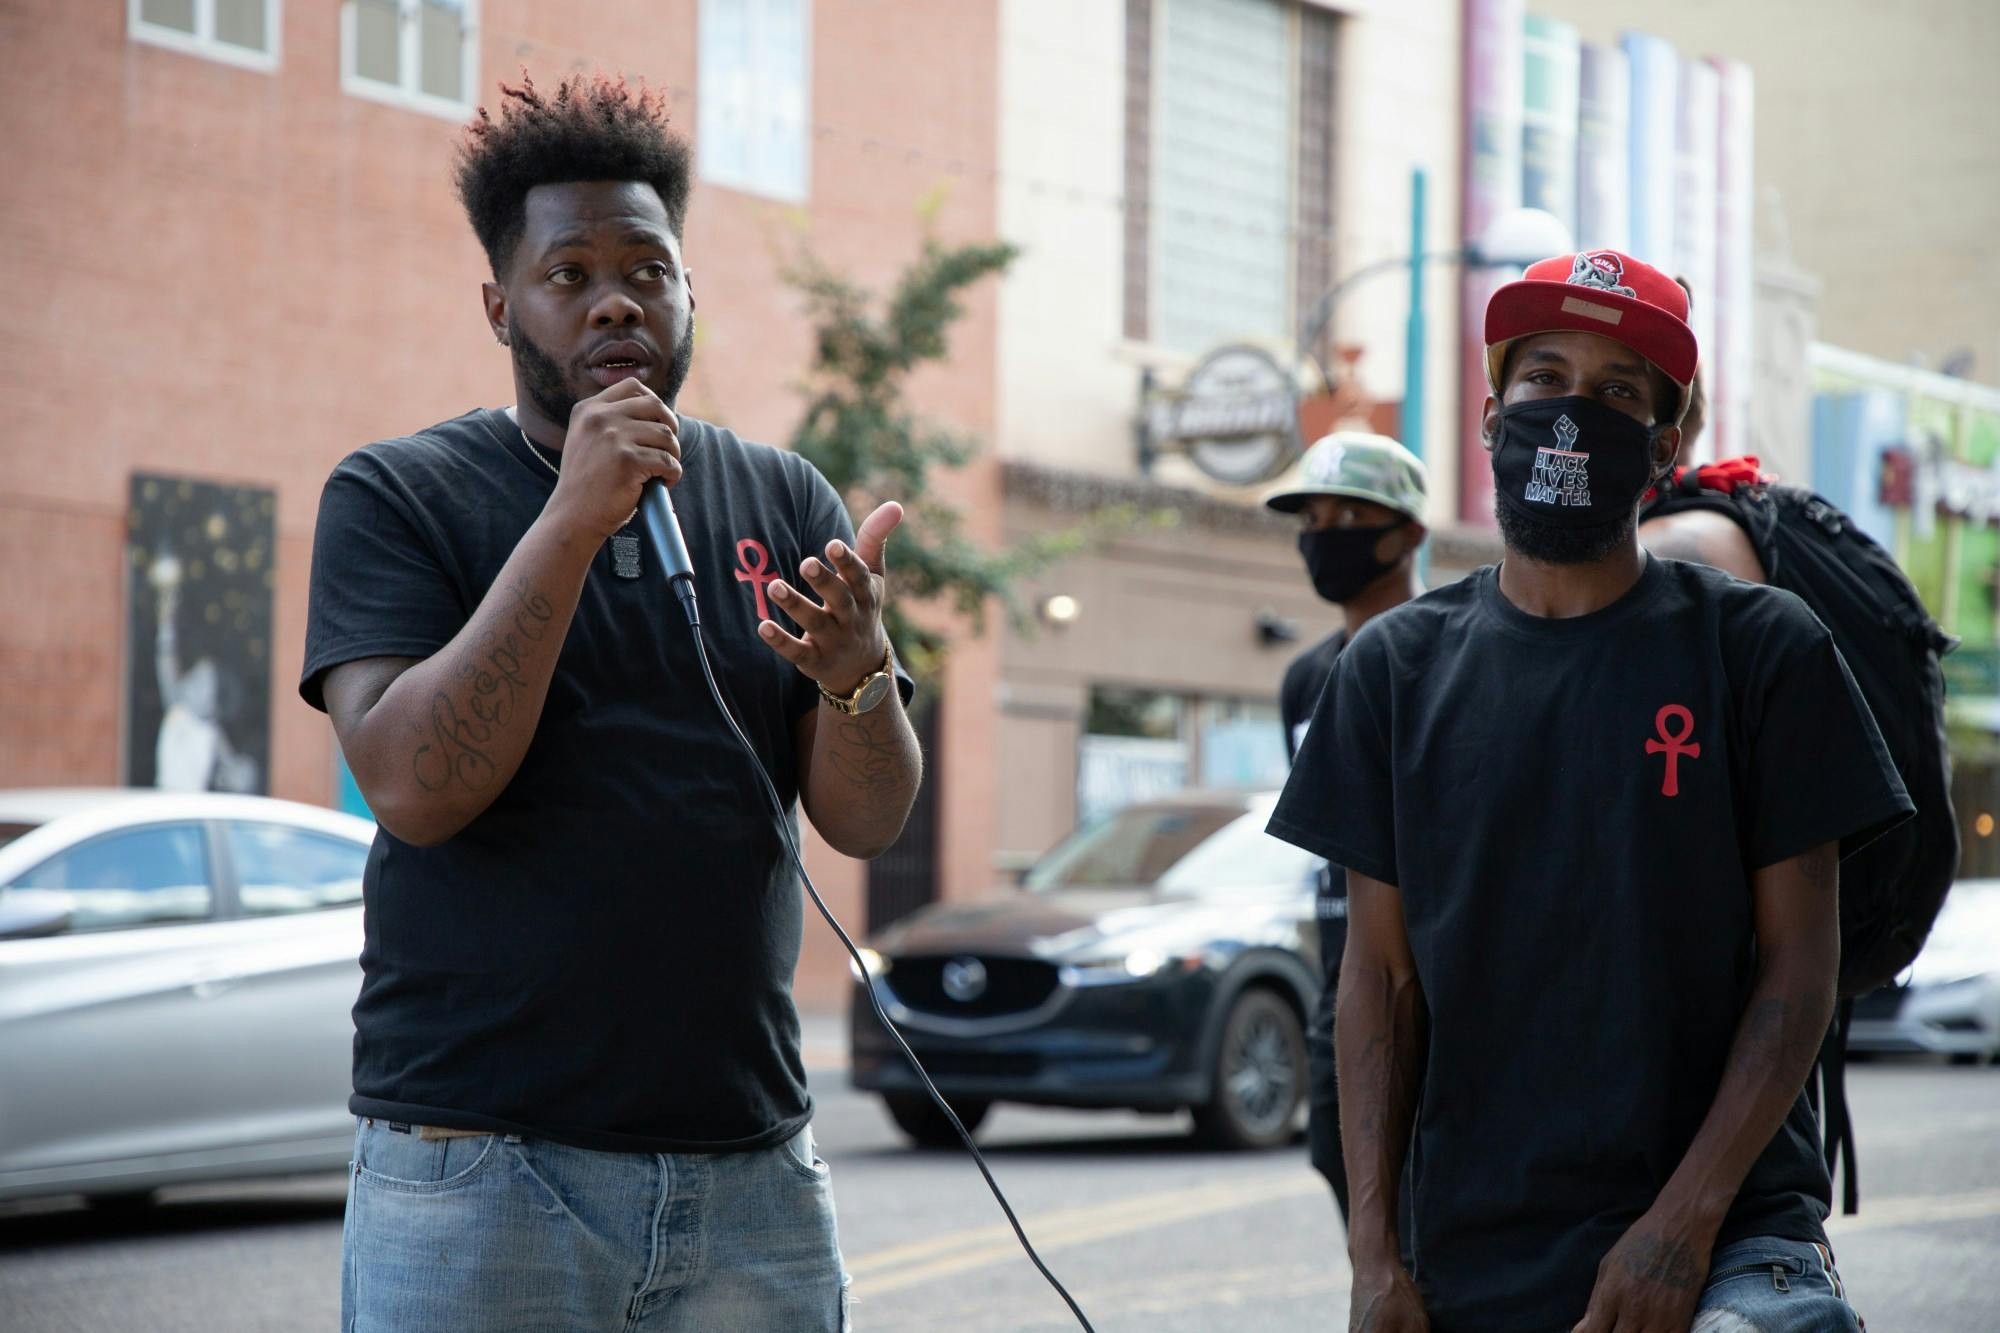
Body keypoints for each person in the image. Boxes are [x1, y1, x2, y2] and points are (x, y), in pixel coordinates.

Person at [301, 74, 920, 1332]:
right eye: (568, 272)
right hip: (485, 1167)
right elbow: (415, 787)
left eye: (646, 265)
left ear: (691, 288)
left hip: (750, 1172)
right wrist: (573, 518)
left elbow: (866, 820)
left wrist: (859, 677)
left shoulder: (782, 496)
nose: (615, 299)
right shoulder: (398, 494)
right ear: (500, 305)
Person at [1268, 249, 1913, 1332]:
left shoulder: (1758, 651)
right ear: (1489, 417)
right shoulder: (1389, 671)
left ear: (1663, 446)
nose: (1570, 413)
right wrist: (1373, 1257)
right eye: (1543, 379)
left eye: (1617, 392)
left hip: (1728, 1237)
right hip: (1472, 1245)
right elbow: (1375, 981)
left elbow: (1800, 969)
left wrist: (1680, 1226)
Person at [1261, 431, 1428, 1225]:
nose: (1325, 532)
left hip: (1438, 988)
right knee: (1358, 1203)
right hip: (1343, 985)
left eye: (1349, 514)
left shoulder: (1456, 656)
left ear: (1409, 533)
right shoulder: (1306, 679)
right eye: (1311, 517)